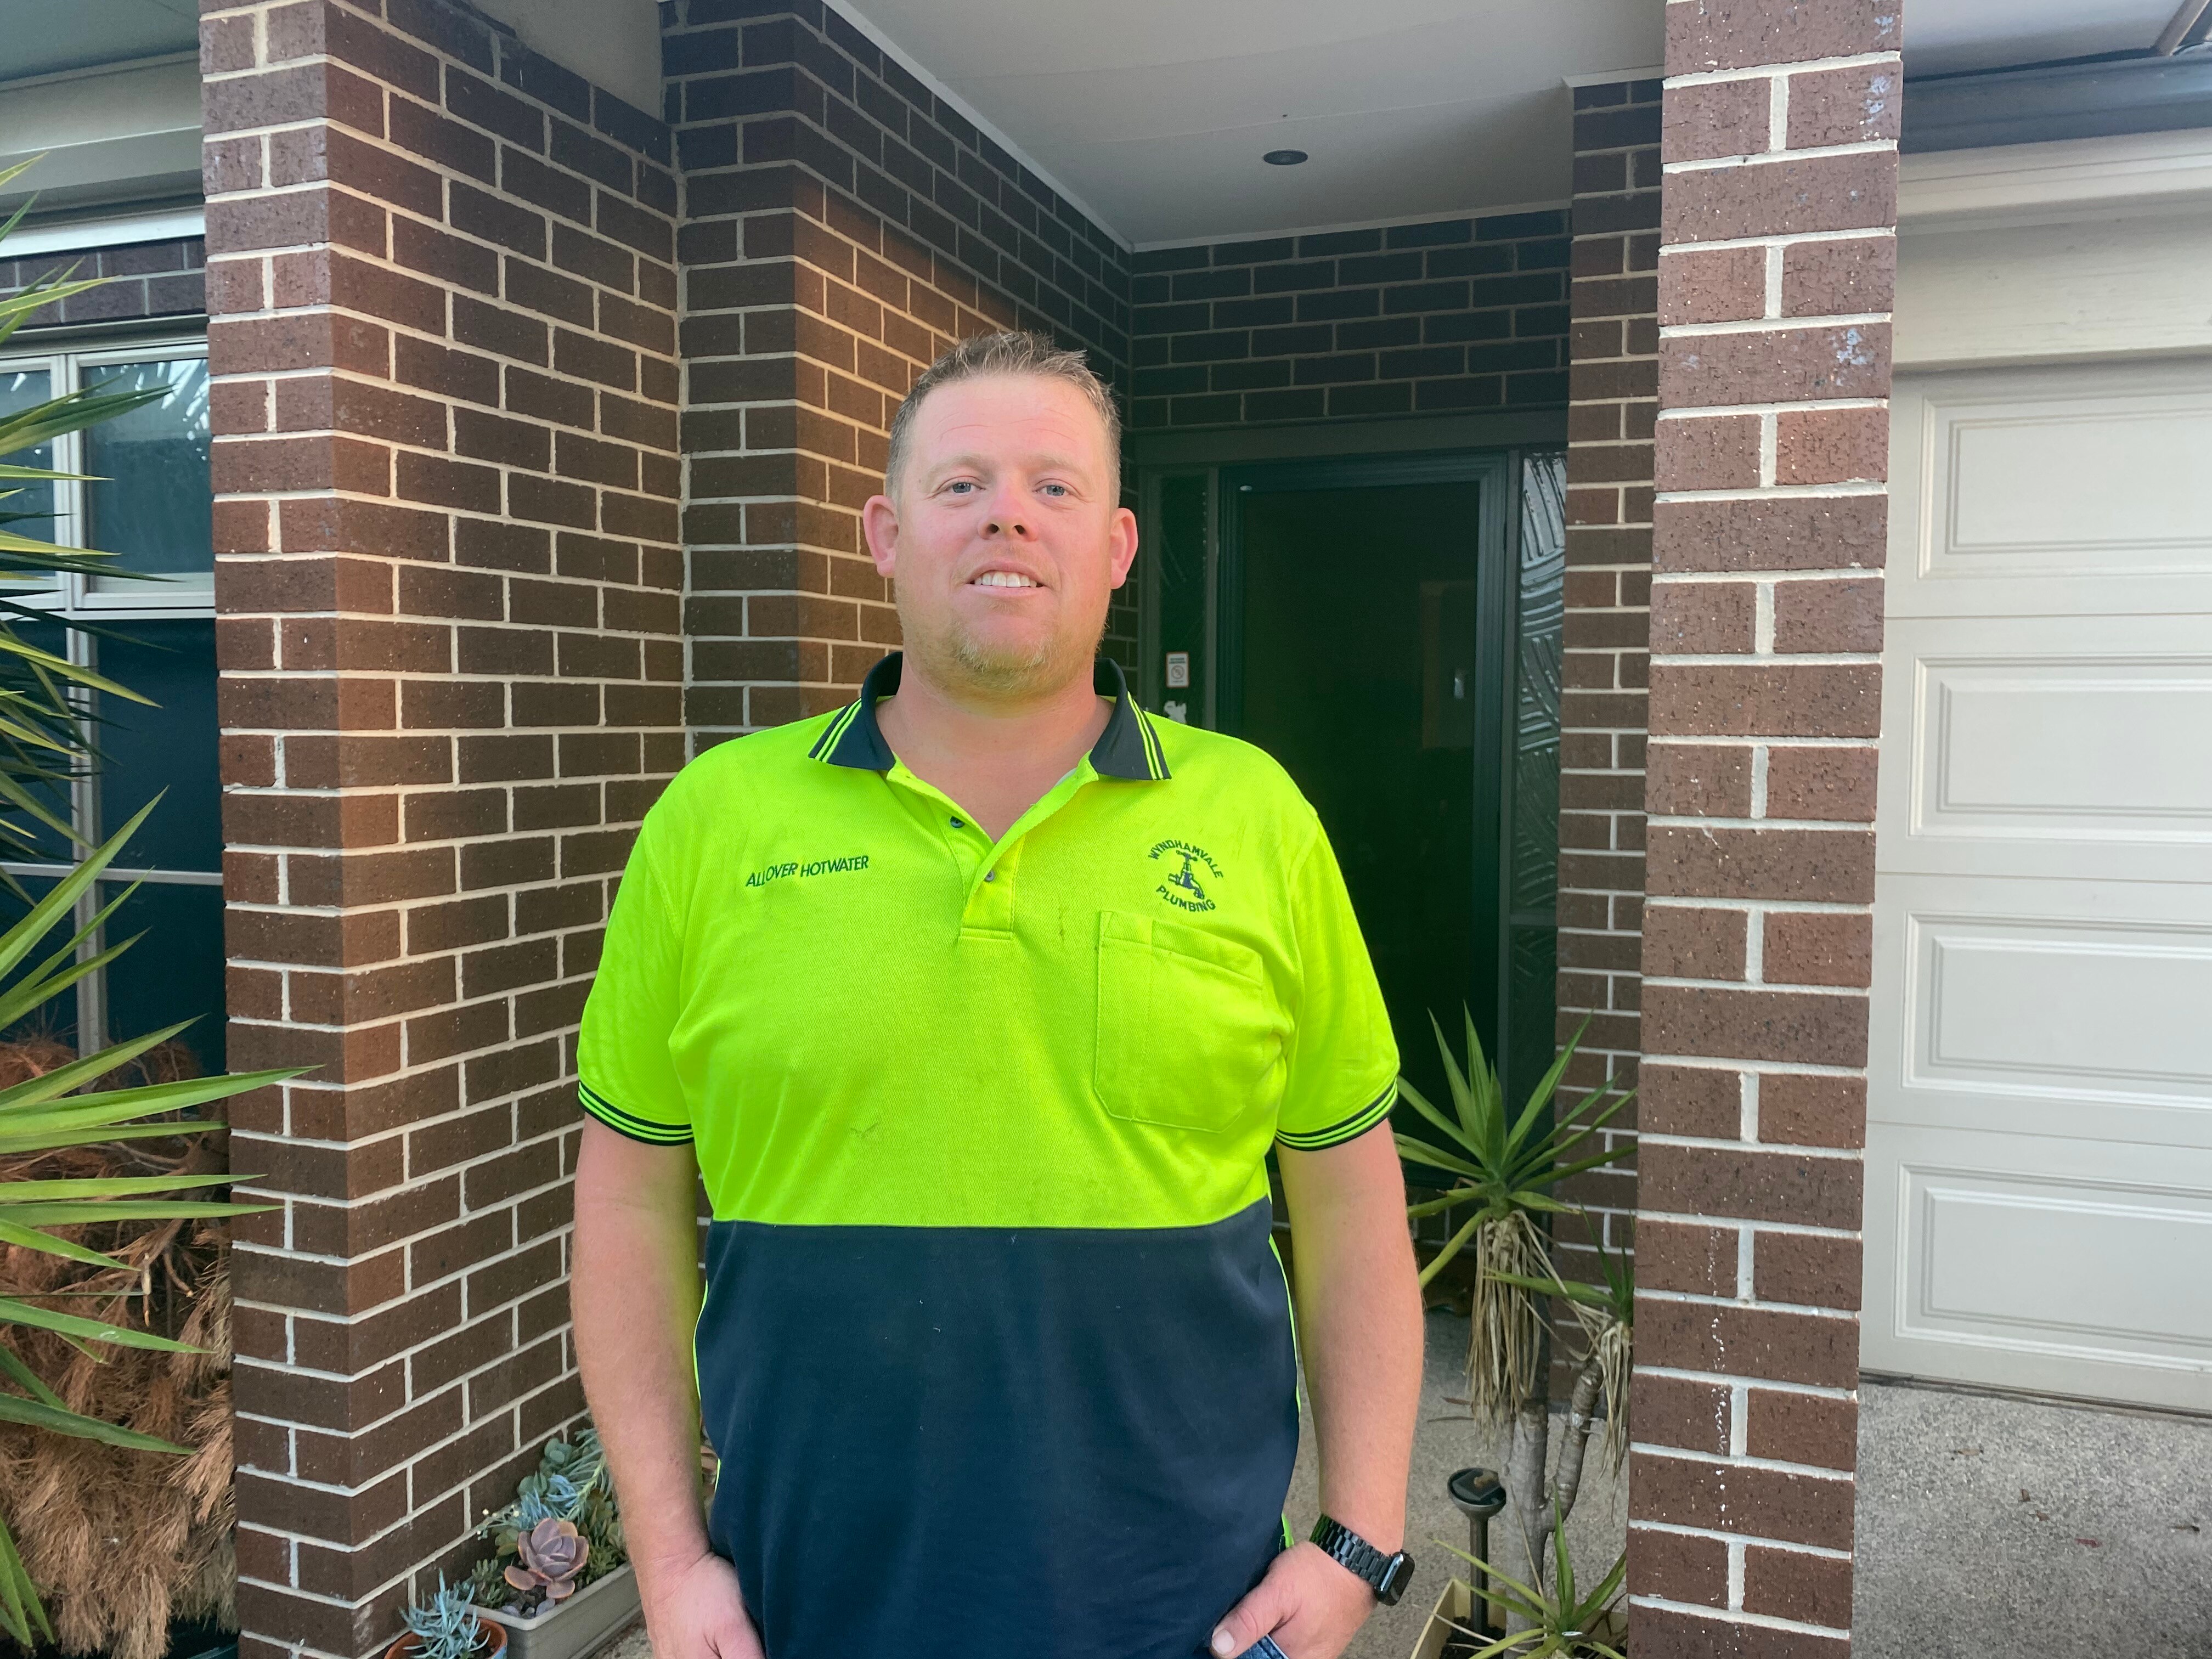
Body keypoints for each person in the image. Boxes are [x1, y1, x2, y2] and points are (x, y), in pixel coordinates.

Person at [570, 331, 1423, 1659]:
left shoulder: (1255, 817)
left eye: (1055, 486)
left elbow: (1350, 1192)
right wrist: (670, 1564)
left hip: (1187, 1614)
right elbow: (628, 1199)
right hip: (801, 1611)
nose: (1008, 514)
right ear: (885, 532)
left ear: (1121, 545)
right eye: (961, 483)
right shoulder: (714, 821)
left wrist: (1358, 1539)